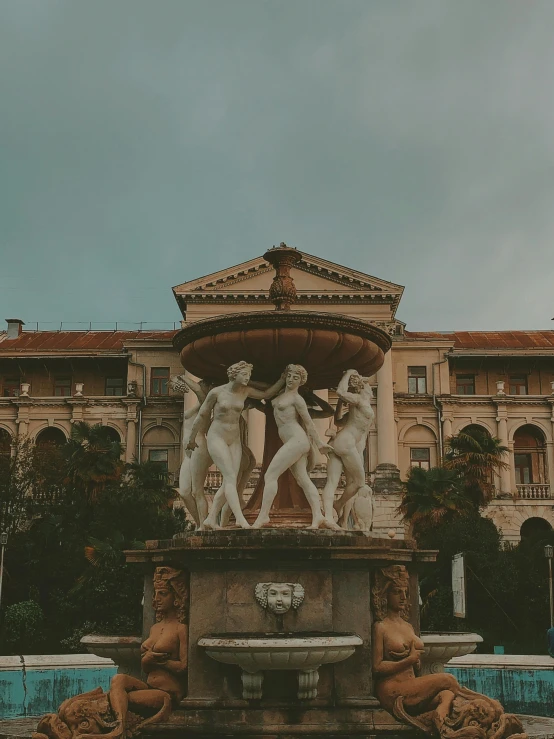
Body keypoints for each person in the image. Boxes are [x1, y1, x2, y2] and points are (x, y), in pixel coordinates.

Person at [186, 361, 285, 529]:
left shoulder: (245, 391)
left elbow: (268, 393)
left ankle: (210, 518)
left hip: (235, 439)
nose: (247, 378)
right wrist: (192, 438)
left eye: (248, 375)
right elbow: (202, 414)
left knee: (230, 481)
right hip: (217, 437)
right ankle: (239, 518)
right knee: (230, 478)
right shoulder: (216, 393)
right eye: (244, 374)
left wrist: (283, 379)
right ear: (234, 375)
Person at [252, 364, 339, 530]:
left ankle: (263, 516)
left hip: (297, 440)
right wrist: (280, 379)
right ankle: (318, 516)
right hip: (291, 441)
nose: (291, 380)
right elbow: (262, 388)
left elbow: (308, 422)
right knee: (303, 480)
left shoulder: (297, 399)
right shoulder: (278, 395)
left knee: (270, 475)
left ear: (301, 382)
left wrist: (319, 443)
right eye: (290, 376)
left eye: (296, 378)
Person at [321, 369, 374, 529]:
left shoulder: (357, 404)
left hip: (338, 441)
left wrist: (339, 404)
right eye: (367, 385)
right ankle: (339, 504)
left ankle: (329, 515)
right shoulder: (359, 400)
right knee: (359, 482)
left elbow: (338, 422)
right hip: (346, 443)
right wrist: (348, 373)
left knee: (331, 482)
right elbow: (340, 391)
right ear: (362, 387)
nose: (371, 388)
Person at [171, 374, 213, 527]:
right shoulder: (198, 404)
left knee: (197, 491)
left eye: (201, 385)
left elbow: (198, 392)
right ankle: (200, 523)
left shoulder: (205, 403)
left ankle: (203, 526)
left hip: (199, 447)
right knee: (184, 492)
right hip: (188, 454)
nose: (198, 387)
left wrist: (183, 378)